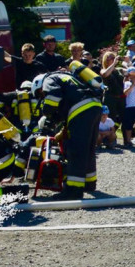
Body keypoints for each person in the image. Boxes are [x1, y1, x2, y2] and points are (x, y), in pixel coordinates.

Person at [32, 70, 102, 199]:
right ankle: (89, 182)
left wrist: (47, 114)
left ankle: (73, 190)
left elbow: (53, 98)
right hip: (95, 106)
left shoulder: (50, 79)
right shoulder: (69, 78)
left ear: (39, 85)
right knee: (88, 148)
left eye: (41, 93)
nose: (42, 95)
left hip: (80, 109)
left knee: (75, 149)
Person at [100, 52, 126, 144]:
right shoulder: (103, 70)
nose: (111, 59)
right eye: (109, 58)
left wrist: (127, 61)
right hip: (110, 97)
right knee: (110, 118)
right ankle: (109, 139)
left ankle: (126, 140)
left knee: (124, 119)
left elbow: (131, 71)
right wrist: (114, 63)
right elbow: (105, 74)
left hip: (121, 97)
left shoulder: (119, 70)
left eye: (113, 58)